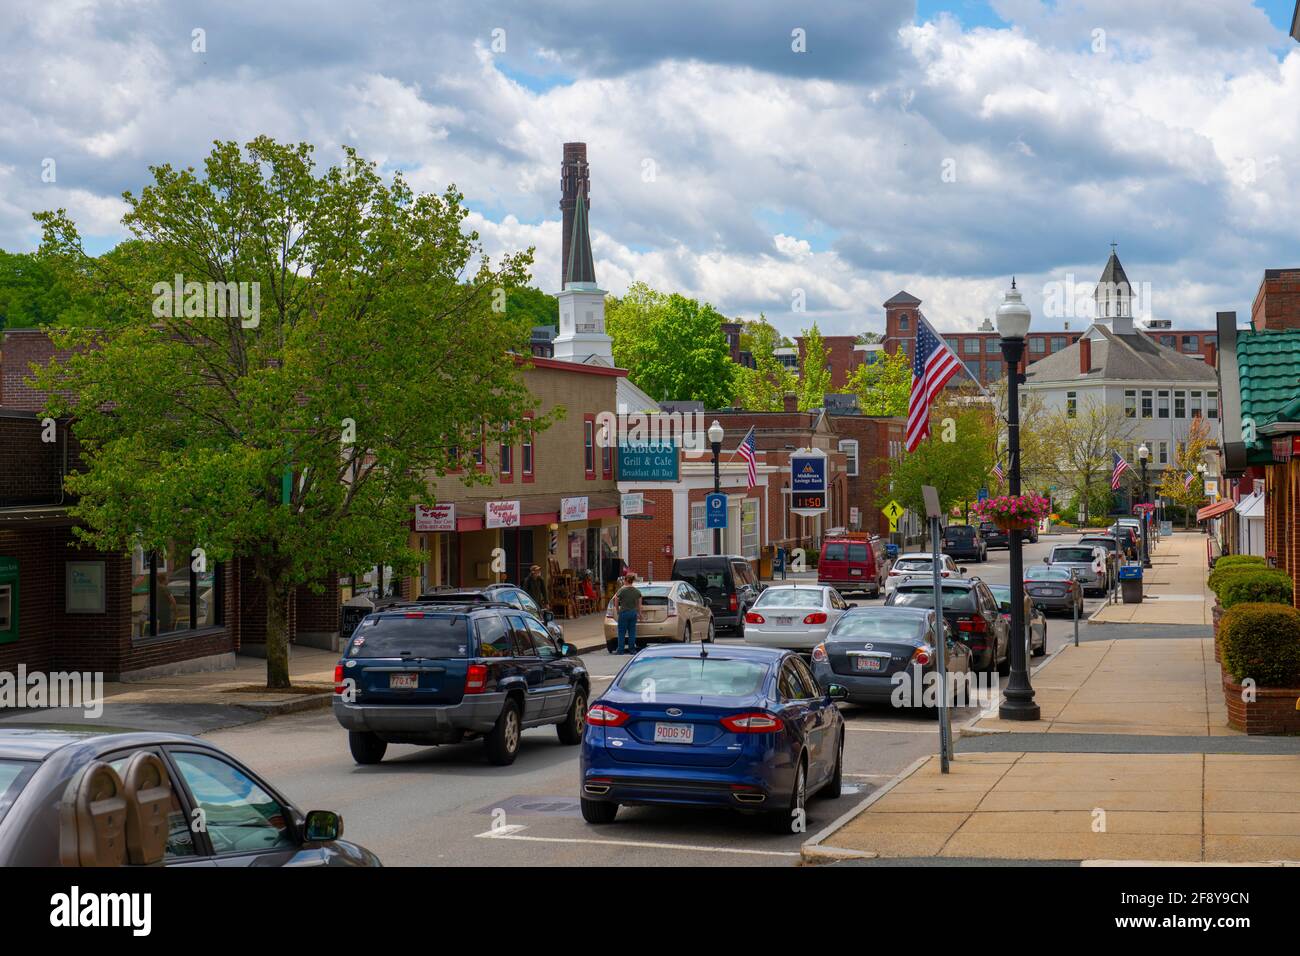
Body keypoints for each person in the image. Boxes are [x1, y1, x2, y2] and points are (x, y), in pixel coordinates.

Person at [613, 573, 642, 655]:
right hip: (633, 613)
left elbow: (616, 599)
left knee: (621, 632)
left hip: (624, 612)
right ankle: (632, 650)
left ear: (626, 580)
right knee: (632, 632)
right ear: (632, 581)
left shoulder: (622, 590)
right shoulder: (637, 591)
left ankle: (620, 650)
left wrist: (618, 610)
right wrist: (639, 613)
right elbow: (639, 604)